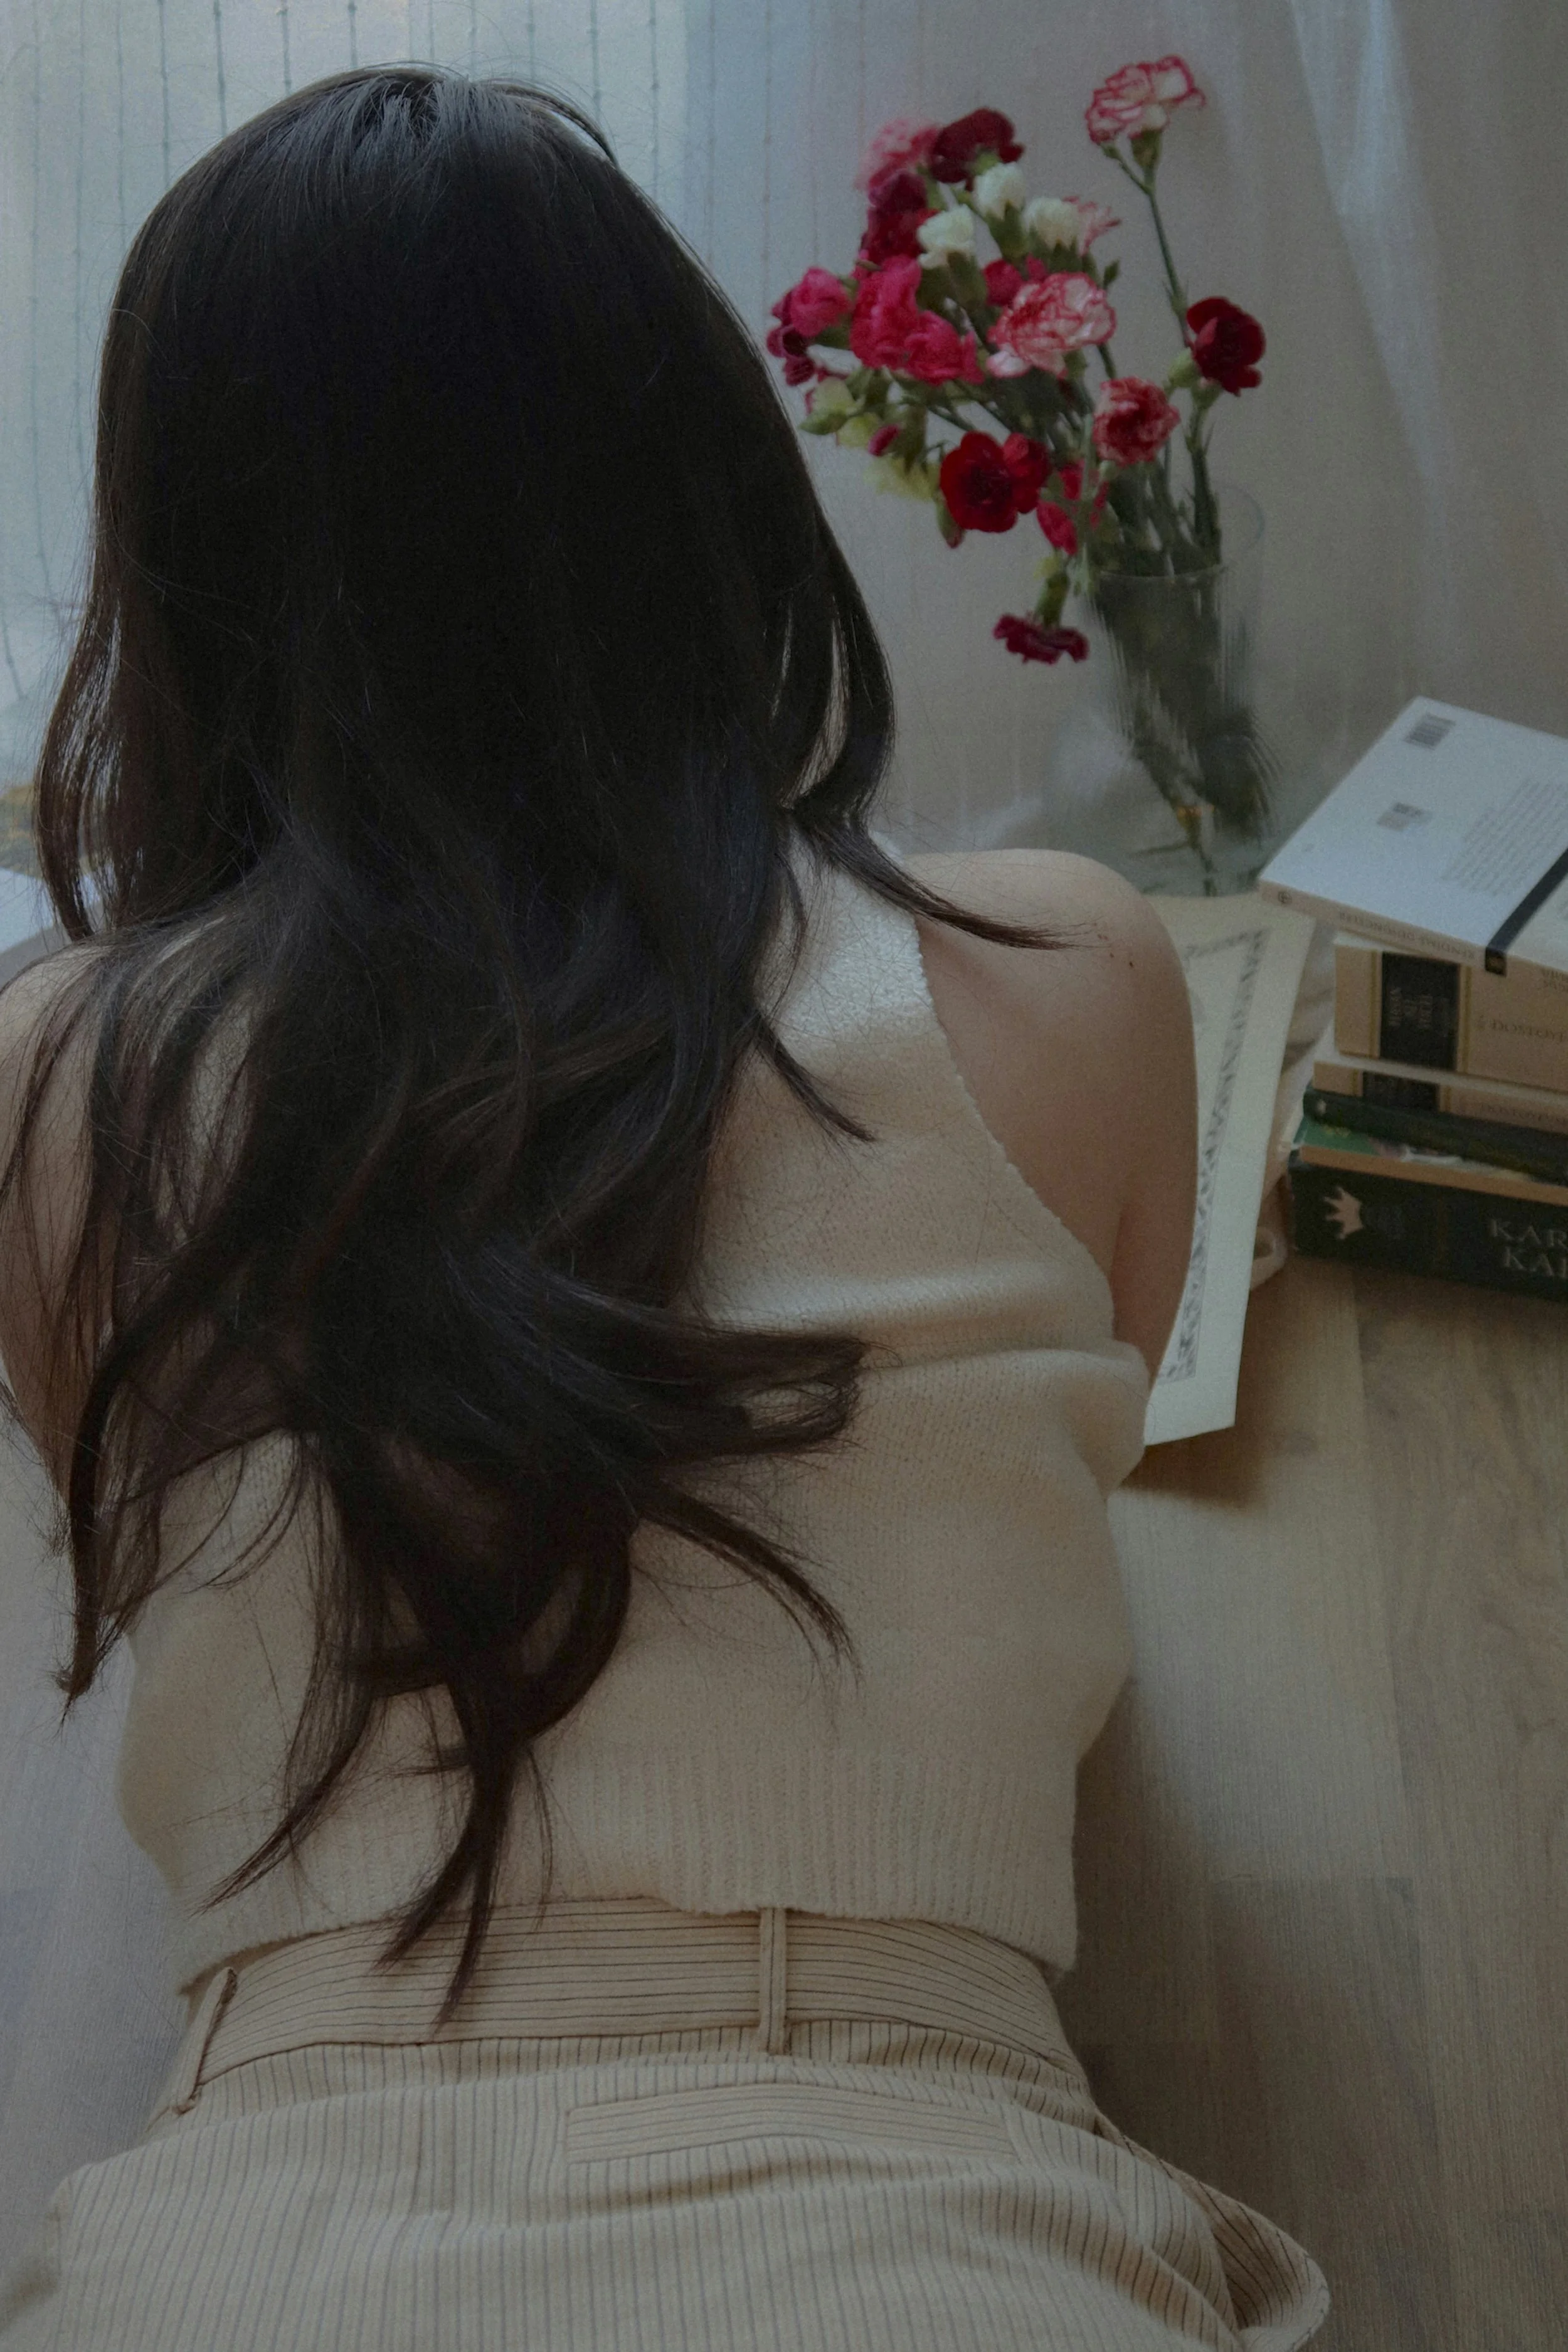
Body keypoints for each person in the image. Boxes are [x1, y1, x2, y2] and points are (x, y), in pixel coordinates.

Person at [0, 63, 1327, 2352]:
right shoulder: (1066, 972)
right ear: (706, 480)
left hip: (261, 2240)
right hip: (942, 2219)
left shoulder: (55, 1070)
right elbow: (1069, 1446)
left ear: (188, 568)